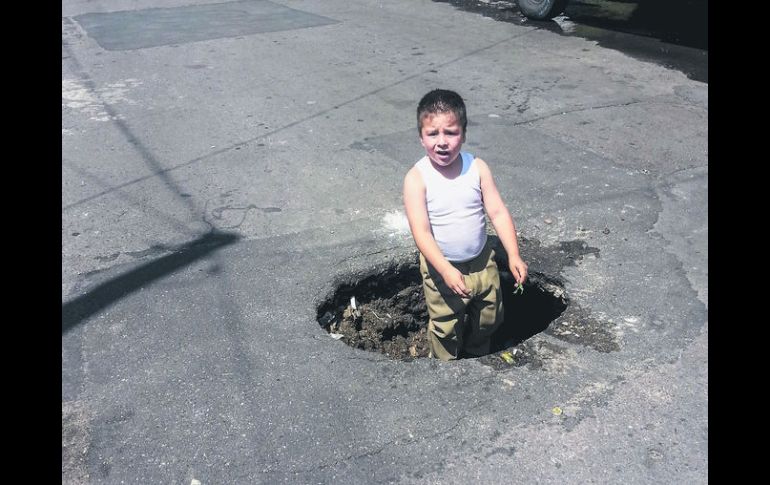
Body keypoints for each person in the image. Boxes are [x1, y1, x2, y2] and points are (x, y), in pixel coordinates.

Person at [403, 89, 528, 361]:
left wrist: (514, 255)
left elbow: (497, 211)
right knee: (446, 323)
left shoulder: (477, 168)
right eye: (432, 134)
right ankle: (445, 366)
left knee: (489, 315)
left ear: (464, 133)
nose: (442, 142)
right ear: (420, 137)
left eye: (451, 132)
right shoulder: (417, 178)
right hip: (441, 267)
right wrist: (446, 270)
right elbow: (421, 233)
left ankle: (477, 355)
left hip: (483, 261)